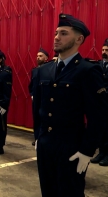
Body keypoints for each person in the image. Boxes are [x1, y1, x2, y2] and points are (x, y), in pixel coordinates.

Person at [33, 14, 108, 197]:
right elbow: (38, 109)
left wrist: (87, 151)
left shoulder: (88, 70)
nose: (57, 37)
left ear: (79, 39)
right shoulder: (44, 70)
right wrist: (38, 138)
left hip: (71, 148)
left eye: (64, 33)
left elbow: (99, 115)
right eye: (56, 33)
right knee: (48, 192)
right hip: (45, 146)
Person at [90, 38, 108, 166]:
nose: (104, 52)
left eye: (107, 50)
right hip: (100, 103)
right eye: (103, 50)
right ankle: (101, 152)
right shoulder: (98, 65)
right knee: (101, 128)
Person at [29, 48, 49, 146]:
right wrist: (32, 94)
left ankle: (42, 139)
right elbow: (31, 85)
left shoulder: (49, 69)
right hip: (36, 100)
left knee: (44, 120)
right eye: (37, 56)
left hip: (45, 100)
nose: (38, 58)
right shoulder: (34, 70)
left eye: (40, 56)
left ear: (46, 58)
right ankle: (37, 138)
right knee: (36, 119)